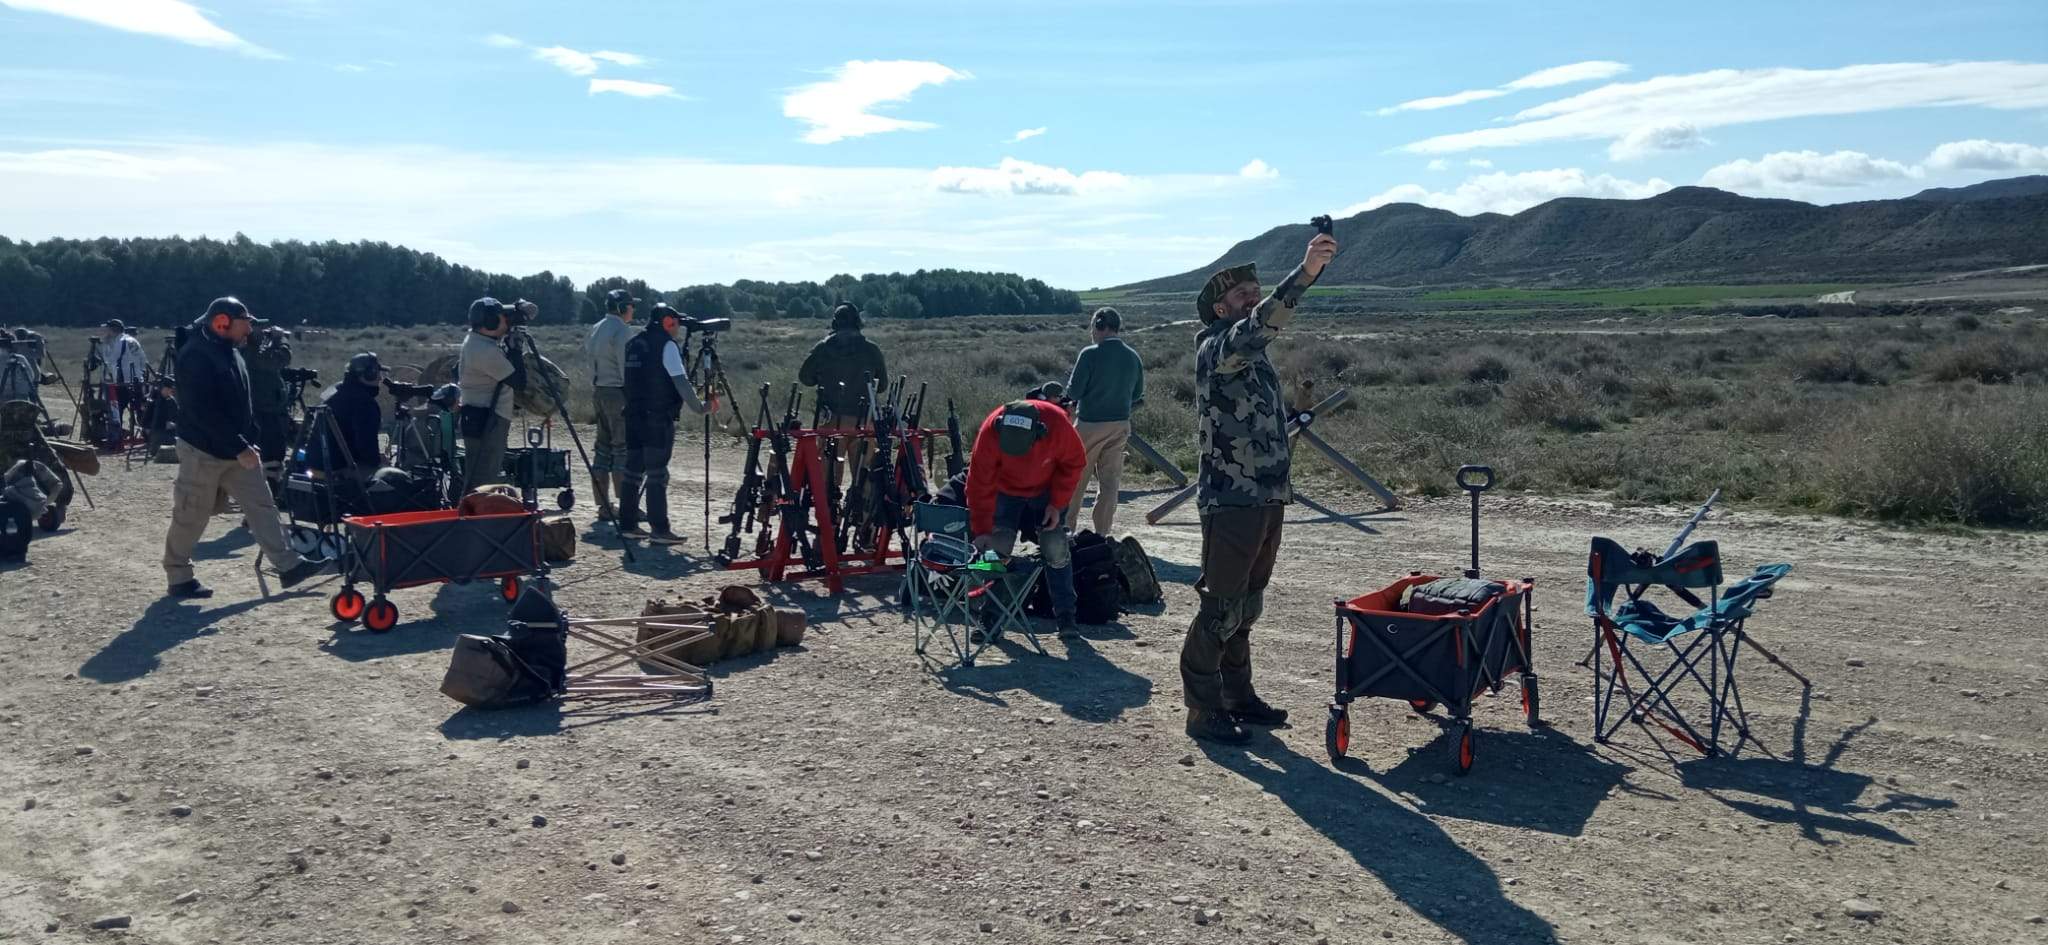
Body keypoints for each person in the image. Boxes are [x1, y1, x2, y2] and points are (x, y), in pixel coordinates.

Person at [1179, 232, 1338, 744]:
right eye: (1242, 294)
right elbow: (1259, 325)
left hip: (1267, 495)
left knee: (1247, 606)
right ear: (1220, 309)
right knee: (1221, 606)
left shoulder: (1252, 357)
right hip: (1232, 498)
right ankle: (1202, 711)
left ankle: (1236, 696)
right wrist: (1305, 275)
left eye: (1255, 288)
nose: (1252, 296)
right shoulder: (1218, 347)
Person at [161, 297, 324, 599]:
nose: (251, 328)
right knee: (191, 514)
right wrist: (240, 445)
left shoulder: (231, 351)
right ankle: (178, 575)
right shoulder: (195, 355)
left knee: (262, 505)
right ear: (222, 323)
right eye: (244, 322)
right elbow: (202, 411)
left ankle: (289, 566)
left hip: (236, 448)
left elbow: (243, 403)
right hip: (203, 450)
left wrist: (251, 440)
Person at [965, 383, 1088, 639]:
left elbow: (1074, 463)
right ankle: (989, 618)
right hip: (1005, 492)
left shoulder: (1057, 425)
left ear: (1039, 433)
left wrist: (1057, 503)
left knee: (1055, 549)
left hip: (1046, 492)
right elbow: (978, 484)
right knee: (995, 551)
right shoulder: (991, 430)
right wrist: (982, 529)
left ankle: (1066, 618)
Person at [618, 303, 708, 544]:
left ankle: (628, 524)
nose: (678, 328)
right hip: (656, 417)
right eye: (676, 323)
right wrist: (700, 408)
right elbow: (681, 382)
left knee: (632, 471)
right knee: (657, 474)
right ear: (668, 322)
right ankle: (660, 529)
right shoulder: (666, 345)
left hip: (633, 414)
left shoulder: (635, 343)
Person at [1063, 306, 1145, 536]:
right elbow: (1137, 394)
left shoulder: (1090, 353)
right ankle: (1103, 533)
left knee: (1075, 481)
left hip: (1089, 425)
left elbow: (1075, 392)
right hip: (1120, 424)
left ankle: (1066, 531)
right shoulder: (1133, 356)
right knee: (1110, 484)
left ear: (1099, 326)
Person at [799, 302, 888, 487]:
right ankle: (862, 514)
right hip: (864, 422)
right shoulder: (871, 349)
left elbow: (805, 377)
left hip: (832, 422)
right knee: (865, 480)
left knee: (828, 480)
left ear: (835, 323)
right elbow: (882, 386)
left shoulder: (823, 347)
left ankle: (830, 514)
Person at [457, 297, 527, 495]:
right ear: (490, 322)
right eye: (502, 317)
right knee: (484, 477)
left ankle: (475, 517)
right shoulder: (484, 350)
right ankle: (479, 519)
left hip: (481, 414)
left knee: (479, 474)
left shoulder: (478, 341)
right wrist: (516, 351)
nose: (507, 320)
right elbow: (519, 382)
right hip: (488, 417)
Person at [583, 288, 636, 521]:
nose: (633, 309)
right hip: (618, 393)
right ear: (623, 307)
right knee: (622, 448)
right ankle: (627, 505)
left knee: (603, 450)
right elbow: (627, 368)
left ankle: (603, 504)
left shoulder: (597, 328)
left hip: (599, 391)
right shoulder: (622, 331)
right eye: (631, 305)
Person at [315, 353, 386, 475]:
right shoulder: (365, 403)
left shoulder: (335, 389)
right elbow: (367, 446)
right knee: (391, 478)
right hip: (341, 467)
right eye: (378, 373)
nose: (380, 378)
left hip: (317, 461)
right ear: (369, 374)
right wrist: (379, 462)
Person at [244, 326, 294, 487]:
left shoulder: (252, 352)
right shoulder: (250, 353)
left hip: (266, 409)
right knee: (270, 450)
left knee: (273, 450)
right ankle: (270, 485)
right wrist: (280, 340)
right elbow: (280, 359)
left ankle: (271, 482)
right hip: (264, 411)